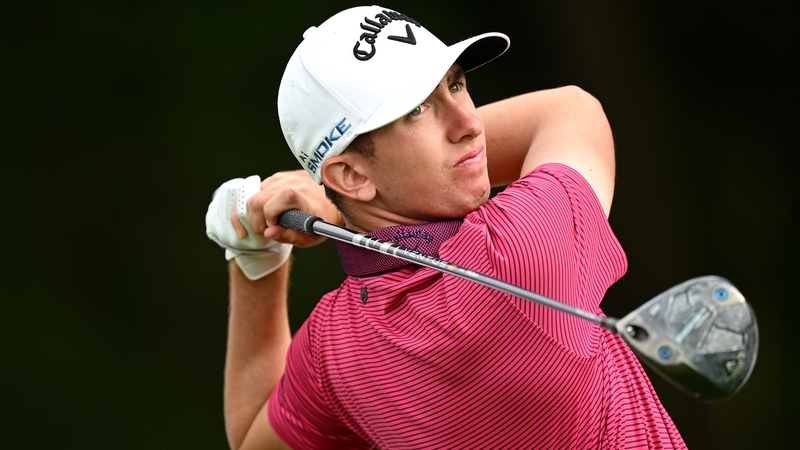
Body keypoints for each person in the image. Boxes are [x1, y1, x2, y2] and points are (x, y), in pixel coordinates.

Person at [205, 5, 687, 449]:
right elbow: (568, 109)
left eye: (454, 85)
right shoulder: (521, 250)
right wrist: (336, 205)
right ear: (351, 174)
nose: (468, 123)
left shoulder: (335, 351)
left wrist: (255, 256)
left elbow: (252, 436)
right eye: (417, 110)